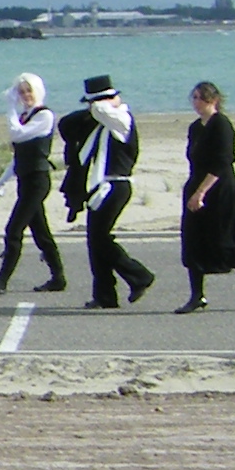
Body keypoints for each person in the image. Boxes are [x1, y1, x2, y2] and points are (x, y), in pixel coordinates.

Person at [59, 72, 155, 309]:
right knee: (94, 241)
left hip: (116, 186)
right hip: (100, 187)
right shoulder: (100, 126)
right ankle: (105, 295)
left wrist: (105, 101)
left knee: (101, 238)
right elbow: (67, 124)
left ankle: (139, 275)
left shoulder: (121, 119)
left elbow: (101, 110)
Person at [175, 80, 235, 313]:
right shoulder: (195, 128)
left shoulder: (222, 125)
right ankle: (197, 296)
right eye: (194, 98)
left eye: (201, 98)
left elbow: (222, 162)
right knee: (193, 243)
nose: (196, 102)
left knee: (223, 244)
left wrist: (201, 192)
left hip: (220, 190)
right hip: (196, 186)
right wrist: (193, 191)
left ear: (213, 100)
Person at [0, 72, 69, 293]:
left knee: (14, 229)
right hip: (25, 179)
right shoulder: (25, 116)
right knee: (41, 232)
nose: (25, 95)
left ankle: (2, 280)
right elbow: (18, 155)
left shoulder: (44, 116)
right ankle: (58, 278)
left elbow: (16, 135)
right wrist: (2, 180)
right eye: (21, 92)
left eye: (29, 90)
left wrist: (9, 107)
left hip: (37, 181)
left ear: (38, 90)